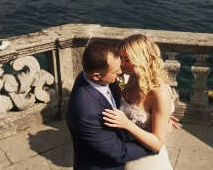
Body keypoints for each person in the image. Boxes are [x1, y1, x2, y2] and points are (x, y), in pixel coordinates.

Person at [66, 40, 154, 170]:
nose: (120, 71)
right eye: (115, 72)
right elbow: (119, 153)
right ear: (97, 76)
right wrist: (154, 144)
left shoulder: (89, 74)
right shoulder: (86, 111)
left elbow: (119, 92)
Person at [101, 34, 175, 170]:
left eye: (127, 60)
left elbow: (157, 143)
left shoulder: (160, 93)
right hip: (125, 154)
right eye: (121, 58)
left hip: (147, 162)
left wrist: (127, 124)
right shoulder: (129, 78)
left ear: (142, 59)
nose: (121, 64)